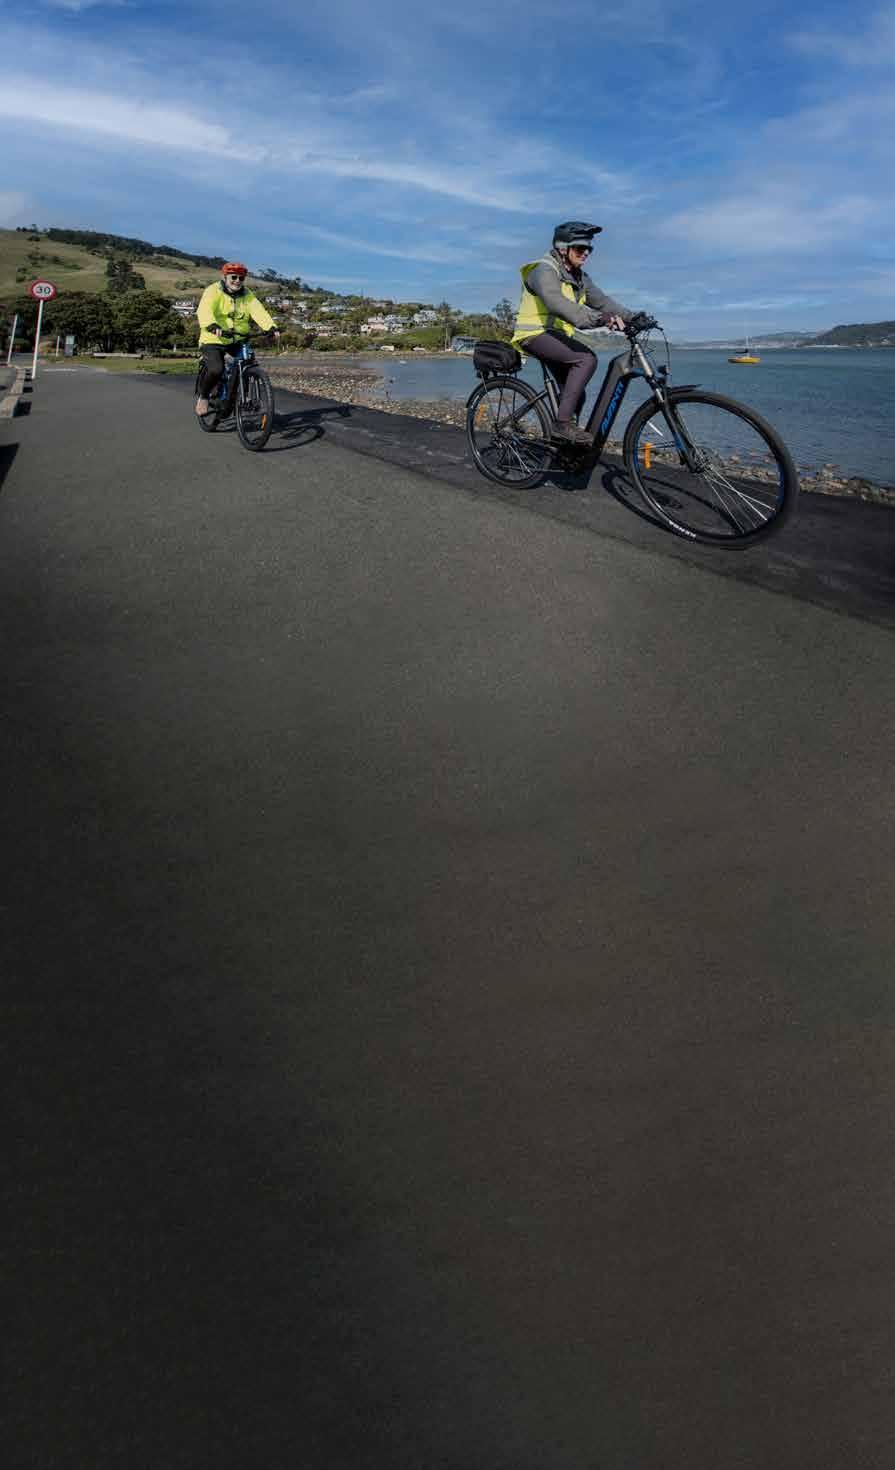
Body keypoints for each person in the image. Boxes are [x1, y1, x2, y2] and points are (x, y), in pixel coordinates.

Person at [512, 222, 631, 446]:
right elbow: (556, 303)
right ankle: (561, 425)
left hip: (555, 337)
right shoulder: (543, 270)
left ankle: (561, 448)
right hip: (534, 335)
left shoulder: (579, 277)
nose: (586, 253)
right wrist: (599, 319)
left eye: (589, 249)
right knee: (586, 359)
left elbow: (603, 302)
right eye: (580, 248)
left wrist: (634, 317)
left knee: (578, 394)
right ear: (563, 248)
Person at [195, 262, 279, 416]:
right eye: (233, 277)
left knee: (247, 363)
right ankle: (204, 396)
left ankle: (237, 397)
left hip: (238, 339)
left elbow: (258, 311)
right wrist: (212, 325)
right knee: (216, 369)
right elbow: (204, 310)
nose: (237, 281)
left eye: (241, 278)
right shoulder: (213, 290)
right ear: (225, 277)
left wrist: (270, 327)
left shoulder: (247, 294)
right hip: (214, 338)